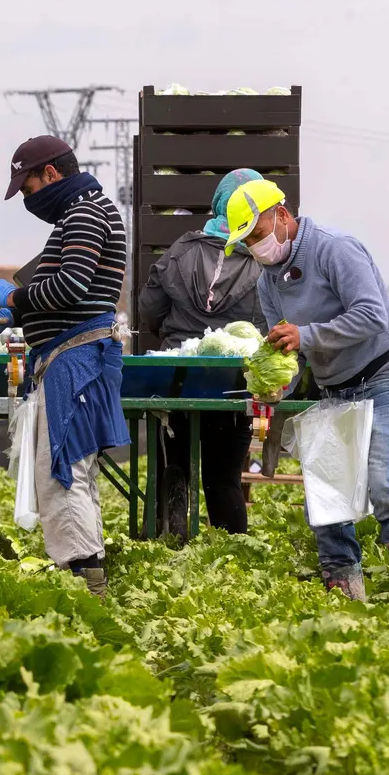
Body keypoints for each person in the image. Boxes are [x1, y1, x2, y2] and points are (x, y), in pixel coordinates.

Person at [228, 178, 389, 608]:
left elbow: (372, 316)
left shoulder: (336, 248)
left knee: (386, 486)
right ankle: (345, 598)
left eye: (257, 236)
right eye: (247, 244)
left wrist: (307, 335)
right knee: (328, 496)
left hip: (387, 377)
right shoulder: (268, 281)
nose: (256, 249)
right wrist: (278, 381)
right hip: (337, 389)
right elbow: (290, 347)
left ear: (281, 215)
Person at [0, 136, 128, 597]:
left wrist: (14, 298)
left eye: (27, 187)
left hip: (76, 359)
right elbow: (70, 290)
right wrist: (22, 314)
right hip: (73, 356)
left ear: (50, 173)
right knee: (73, 471)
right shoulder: (82, 211)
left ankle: (85, 583)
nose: (28, 199)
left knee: (62, 470)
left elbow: (70, 287)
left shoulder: (85, 212)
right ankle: (90, 576)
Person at [137, 168, 268, 534]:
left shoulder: (182, 250)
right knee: (225, 478)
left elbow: (150, 307)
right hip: (233, 384)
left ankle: (172, 542)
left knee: (172, 466)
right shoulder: (262, 262)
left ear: (217, 205)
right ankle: (232, 555)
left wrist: (170, 331)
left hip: (177, 380)